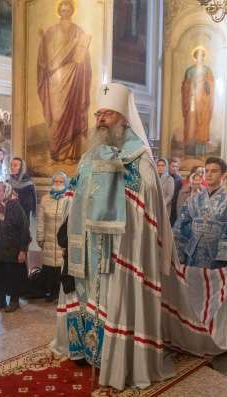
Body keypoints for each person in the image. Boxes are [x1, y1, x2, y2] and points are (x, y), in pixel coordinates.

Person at [51, 83, 175, 390]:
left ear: (122, 117)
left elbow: (145, 201)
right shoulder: (90, 155)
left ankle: (114, 359)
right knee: (84, 297)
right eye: (99, 113)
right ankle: (85, 350)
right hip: (86, 244)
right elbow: (74, 188)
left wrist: (114, 181)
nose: (101, 119)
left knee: (110, 301)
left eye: (107, 113)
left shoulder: (139, 156)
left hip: (119, 248)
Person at [37, 0, 92, 163]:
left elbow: (84, 56)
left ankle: (70, 154)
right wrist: (42, 40)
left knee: (72, 113)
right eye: (63, 9)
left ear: (72, 11)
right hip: (55, 79)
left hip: (74, 76)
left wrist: (81, 61)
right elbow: (44, 57)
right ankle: (55, 153)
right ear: (59, 11)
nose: (65, 12)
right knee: (56, 116)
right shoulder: (51, 31)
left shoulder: (78, 31)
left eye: (68, 10)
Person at [175, 157, 227, 269]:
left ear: (223, 175)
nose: (209, 174)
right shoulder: (192, 201)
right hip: (193, 257)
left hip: (218, 260)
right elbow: (181, 226)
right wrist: (178, 253)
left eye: (214, 171)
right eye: (207, 171)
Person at [0, 182, 31, 312]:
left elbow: (24, 230)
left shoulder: (15, 206)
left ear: (7, 191)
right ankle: (0, 301)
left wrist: (23, 250)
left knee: (13, 277)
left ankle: (14, 301)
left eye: (0, 191)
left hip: (13, 250)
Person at [37, 172, 69, 302]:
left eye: (61, 182)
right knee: (49, 268)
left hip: (62, 240)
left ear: (65, 183)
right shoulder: (45, 199)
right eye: (55, 181)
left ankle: (61, 294)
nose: (58, 184)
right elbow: (40, 220)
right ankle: (51, 292)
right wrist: (40, 237)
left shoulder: (69, 198)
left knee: (61, 268)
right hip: (48, 238)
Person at [168, 157, 182, 226]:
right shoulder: (164, 177)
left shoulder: (179, 180)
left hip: (174, 208)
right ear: (169, 166)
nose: (174, 168)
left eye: (176, 166)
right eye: (173, 166)